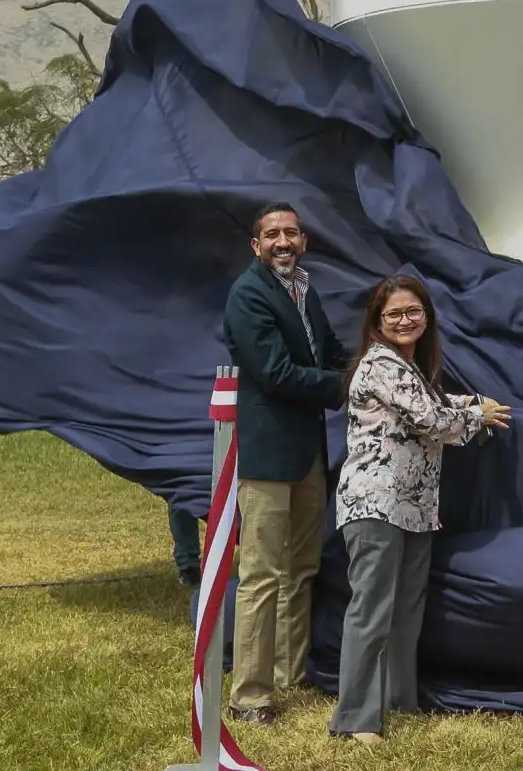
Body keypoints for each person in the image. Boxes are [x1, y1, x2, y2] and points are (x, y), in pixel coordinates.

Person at [329, 274, 511, 746]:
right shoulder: (380, 364)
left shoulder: (408, 369)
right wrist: (478, 415)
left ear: (427, 317)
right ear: (377, 321)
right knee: (372, 611)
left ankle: (397, 701)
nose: (405, 320)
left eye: (414, 311)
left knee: (406, 610)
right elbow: (431, 419)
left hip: (414, 506)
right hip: (375, 503)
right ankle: (356, 719)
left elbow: (432, 400)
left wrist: (471, 403)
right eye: (394, 313)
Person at [222, 202, 352, 724]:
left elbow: (330, 350)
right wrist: (347, 386)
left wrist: (379, 362)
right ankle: (249, 697)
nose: (283, 241)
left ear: (304, 241)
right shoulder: (248, 294)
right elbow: (276, 373)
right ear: (256, 245)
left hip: (308, 454)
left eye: (291, 232)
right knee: (260, 575)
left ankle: (288, 676)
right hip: (268, 457)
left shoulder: (304, 289)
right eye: (273, 233)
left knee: (301, 570)